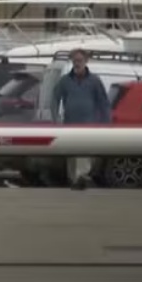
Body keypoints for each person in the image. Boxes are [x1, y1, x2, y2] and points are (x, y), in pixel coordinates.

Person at [50, 48, 111, 191]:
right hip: (70, 124)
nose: (77, 64)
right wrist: (56, 119)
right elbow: (54, 98)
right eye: (75, 61)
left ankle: (81, 177)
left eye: (80, 60)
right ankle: (74, 180)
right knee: (72, 154)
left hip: (88, 125)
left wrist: (106, 123)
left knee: (83, 153)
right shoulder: (65, 81)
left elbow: (103, 102)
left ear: (86, 61)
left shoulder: (94, 81)